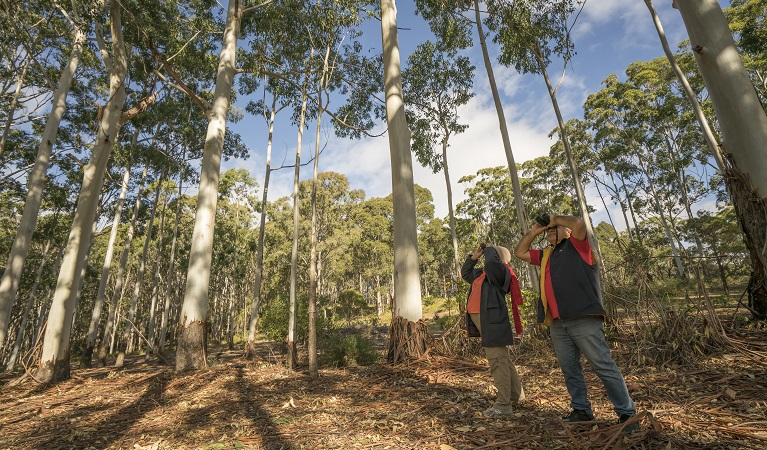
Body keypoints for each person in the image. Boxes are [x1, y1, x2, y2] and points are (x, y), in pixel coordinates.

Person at [514, 213, 638, 431]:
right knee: (569, 368)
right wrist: (535, 231)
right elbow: (519, 252)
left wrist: (554, 218)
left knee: (602, 365)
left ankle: (627, 414)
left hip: (583, 318)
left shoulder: (577, 246)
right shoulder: (545, 255)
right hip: (557, 322)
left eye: (555, 228)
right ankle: (581, 410)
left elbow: (579, 224)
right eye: (549, 229)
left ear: (567, 231)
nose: (551, 230)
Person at [462, 244, 525, 418]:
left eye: (491, 255)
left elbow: (492, 265)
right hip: (485, 320)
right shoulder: (481, 274)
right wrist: (475, 256)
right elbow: (465, 273)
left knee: (497, 360)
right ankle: (515, 395)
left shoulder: (500, 273)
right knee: (502, 358)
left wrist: (490, 249)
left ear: (498, 258)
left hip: (492, 320)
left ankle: (503, 405)